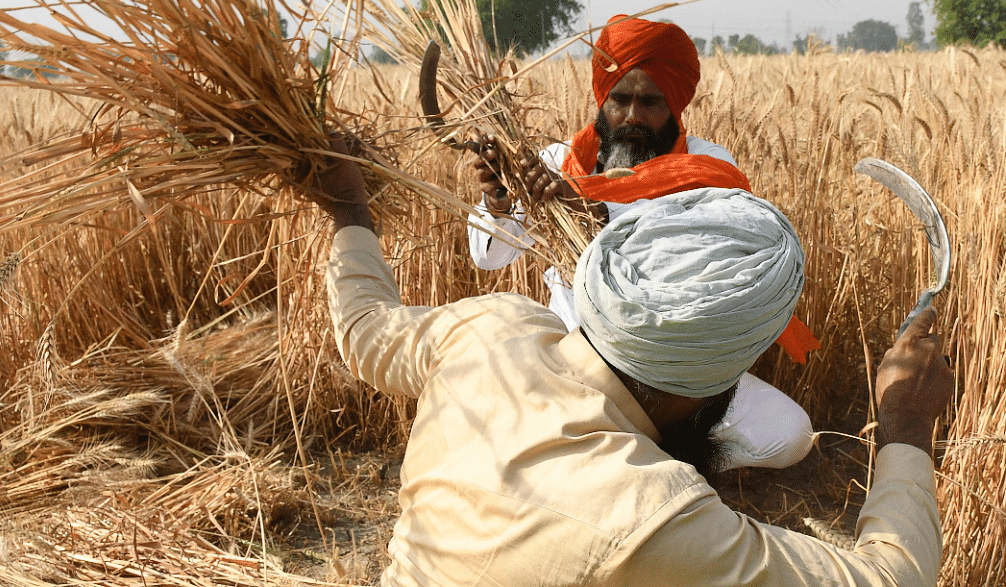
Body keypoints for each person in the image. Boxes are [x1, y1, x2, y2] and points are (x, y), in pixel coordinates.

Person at [306, 143, 953, 587]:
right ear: (718, 382)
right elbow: (894, 577)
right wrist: (907, 418)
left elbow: (365, 328)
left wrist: (348, 208)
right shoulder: (654, 515)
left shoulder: (490, 330)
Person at [467, 14, 817, 470]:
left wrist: (594, 211)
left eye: (650, 102)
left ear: (674, 105)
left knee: (791, 434)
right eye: (621, 100)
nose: (633, 116)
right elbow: (490, 256)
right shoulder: (556, 162)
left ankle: (673, 462)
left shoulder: (707, 165)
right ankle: (639, 456)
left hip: (680, 372)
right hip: (576, 361)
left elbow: (692, 246)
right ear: (602, 99)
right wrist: (497, 198)